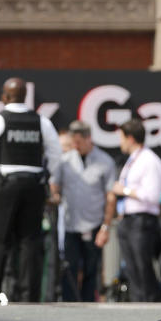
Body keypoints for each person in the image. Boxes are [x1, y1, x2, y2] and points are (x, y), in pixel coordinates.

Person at [0, 77, 61, 303]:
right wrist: (48, 177)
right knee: (30, 240)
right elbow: (56, 154)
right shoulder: (41, 121)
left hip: (4, 184)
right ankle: (29, 295)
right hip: (33, 184)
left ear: (4, 96)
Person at [50, 120, 116, 302]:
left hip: (94, 224)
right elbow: (54, 184)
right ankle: (69, 304)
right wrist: (55, 194)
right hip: (71, 225)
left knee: (91, 269)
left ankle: (89, 305)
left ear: (89, 139)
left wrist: (105, 227)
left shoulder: (105, 161)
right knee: (69, 268)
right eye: (73, 142)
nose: (76, 146)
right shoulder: (65, 162)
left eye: (79, 142)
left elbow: (110, 197)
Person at [112, 118, 161, 302]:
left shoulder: (149, 161)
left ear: (131, 138)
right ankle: (138, 305)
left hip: (142, 221)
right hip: (128, 219)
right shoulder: (132, 161)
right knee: (132, 269)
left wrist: (124, 191)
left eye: (121, 137)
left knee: (143, 268)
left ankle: (151, 304)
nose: (120, 142)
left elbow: (152, 195)